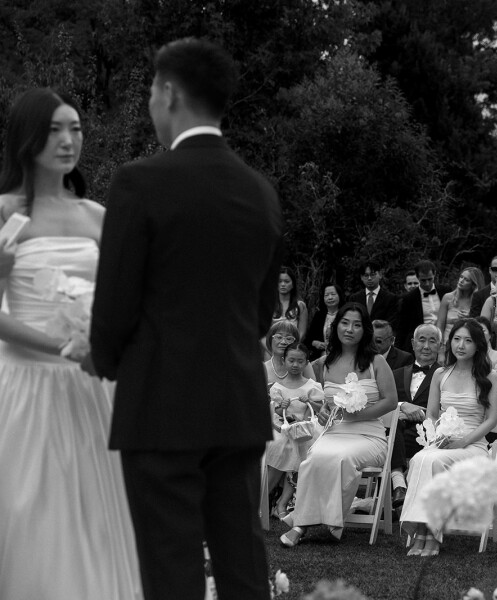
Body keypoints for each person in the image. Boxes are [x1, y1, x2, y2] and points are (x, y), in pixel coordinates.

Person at [91, 39, 283, 600]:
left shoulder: (140, 182)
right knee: (243, 564)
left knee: (170, 566)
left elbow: (114, 305)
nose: (152, 103)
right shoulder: (260, 192)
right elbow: (260, 313)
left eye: (153, 91)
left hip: (160, 404)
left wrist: (105, 359)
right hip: (236, 404)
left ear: (169, 93)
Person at [0, 88, 142, 599]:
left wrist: (105, 342)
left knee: (94, 519)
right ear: (28, 138)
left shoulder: (97, 216)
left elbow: (125, 301)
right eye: (55, 130)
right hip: (25, 387)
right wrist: (62, 348)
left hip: (90, 387)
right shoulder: (4, 213)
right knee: (31, 514)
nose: (68, 140)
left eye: (76, 129)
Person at [280, 303, 398, 545]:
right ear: (336, 327)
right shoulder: (325, 363)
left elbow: (391, 401)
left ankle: (303, 524)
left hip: (369, 437)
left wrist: (359, 415)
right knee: (314, 457)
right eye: (345, 323)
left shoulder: (376, 362)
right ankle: (306, 522)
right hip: (334, 433)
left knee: (341, 457)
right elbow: (326, 402)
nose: (350, 329)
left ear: (364, 330)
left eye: (356, 325)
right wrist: (324, 412)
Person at [401, 319, 497, 557]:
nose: (461, 345)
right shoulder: (440, 374)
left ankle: (429, 533)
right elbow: (432, 414)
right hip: (443, 441)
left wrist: (463, 442)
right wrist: (438, 437)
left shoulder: (490, 377)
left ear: (478, 345)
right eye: (457, 339)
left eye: (468, 340)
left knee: (433, 461)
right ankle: (423, 532)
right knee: (419, 459)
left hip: (473, 446)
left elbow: (490, 421)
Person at [265, 342, 324, 518]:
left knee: (302, 447)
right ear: (284, 361)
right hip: (283, 427)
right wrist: (280, 407)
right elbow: (276, 411)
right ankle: (265, 497)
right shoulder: (278, 387)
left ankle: (282, 503)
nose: (295, 365)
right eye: (291, 360)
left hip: (306, 428)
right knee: (281, 445)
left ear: (306, 363)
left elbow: (320, 407)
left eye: (300, 361)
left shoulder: (311, 385)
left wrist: (309, 401)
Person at [389, 324, 443, 510]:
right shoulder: (395, 374)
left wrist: (419, 413)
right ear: (413, 344)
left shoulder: (445, 376)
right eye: (422, 340)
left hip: (426, 434)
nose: (426, 346)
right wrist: (402, 406)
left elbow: (447, 410)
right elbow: (384, 403)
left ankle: (398, 485)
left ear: (440, 346)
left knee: (392, 437)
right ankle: (400, 487)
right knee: (393, 429)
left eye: (432, 341)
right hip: (396, 431)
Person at [395, 259, 450, 352]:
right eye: (423, 280)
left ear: (434, 274)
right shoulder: (409, 298)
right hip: (422, 342)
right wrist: (398, 352)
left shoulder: (445, 291)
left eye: (430, 279)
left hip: (444, 339)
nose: (427, 283)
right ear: (417, 277)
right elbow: (402, 327)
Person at [437, 266, 485, 357]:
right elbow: (440, 326)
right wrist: (441, 351)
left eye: (466, 280)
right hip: (447, 346)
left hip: (468, 348)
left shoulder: (478, 302)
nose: (461, 281)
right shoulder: (448, 298)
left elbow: (482, 328)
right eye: (461, 277)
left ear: (474, 285)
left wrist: (470, 318)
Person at [348, 262, 399, 327]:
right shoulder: (354, 298)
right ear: (361, 277)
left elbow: (391, 321)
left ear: (380, 275)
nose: (369, 278)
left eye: (372, 275)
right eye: (366, 275)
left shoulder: (391, 298)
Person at [306, 283, 343, 359]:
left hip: (341, 355)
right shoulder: (319, 315)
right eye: (326, 295)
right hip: (321, 357)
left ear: (339, 295)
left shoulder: (345, 314)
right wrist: (315, 343)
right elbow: (309, 339)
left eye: (333, 294)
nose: (330, 297)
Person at [274, 266, 308, 342]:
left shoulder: (300, 306)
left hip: (292, 346)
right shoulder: (269, 306)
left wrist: (292, 346)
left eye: (286, 281)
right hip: (270, 346)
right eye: (279, 281)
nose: (283, 284)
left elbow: (302, 332)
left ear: (293, 284)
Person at [474, 315, 497, 386]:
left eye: (483, 330)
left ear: (490, 335)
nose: (479, 333)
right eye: (476, 330)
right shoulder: (467, 355)